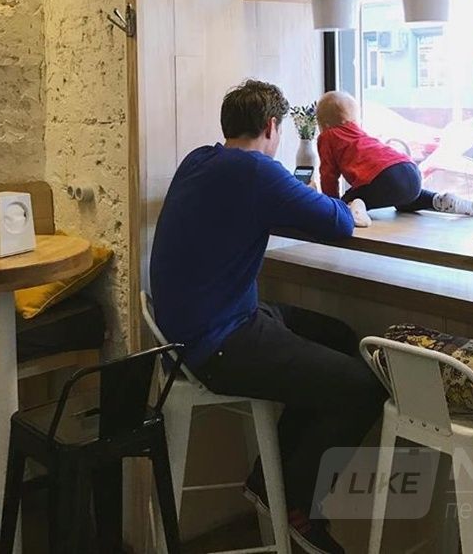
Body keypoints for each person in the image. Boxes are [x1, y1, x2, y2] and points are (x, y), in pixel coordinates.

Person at [150, 80, 383, 554]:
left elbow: (255, 210)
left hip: (187, 331)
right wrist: (347, 204)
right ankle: (298, 505)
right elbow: (339, 221)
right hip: (218, 342)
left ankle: (270, 481)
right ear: (273, 127)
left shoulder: (199, 160)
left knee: (338, 337)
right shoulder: (257, 171)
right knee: (364, 387)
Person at [316, 90, 473, 228]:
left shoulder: (327, 136)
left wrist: (332, 204)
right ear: (353, 119)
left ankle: (356, 205)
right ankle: (439, 200)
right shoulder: (358, 132)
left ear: (324, 124)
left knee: (346, 203)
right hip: (409, 170)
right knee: (405, 199)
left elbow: (328, 174)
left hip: (384, 176)